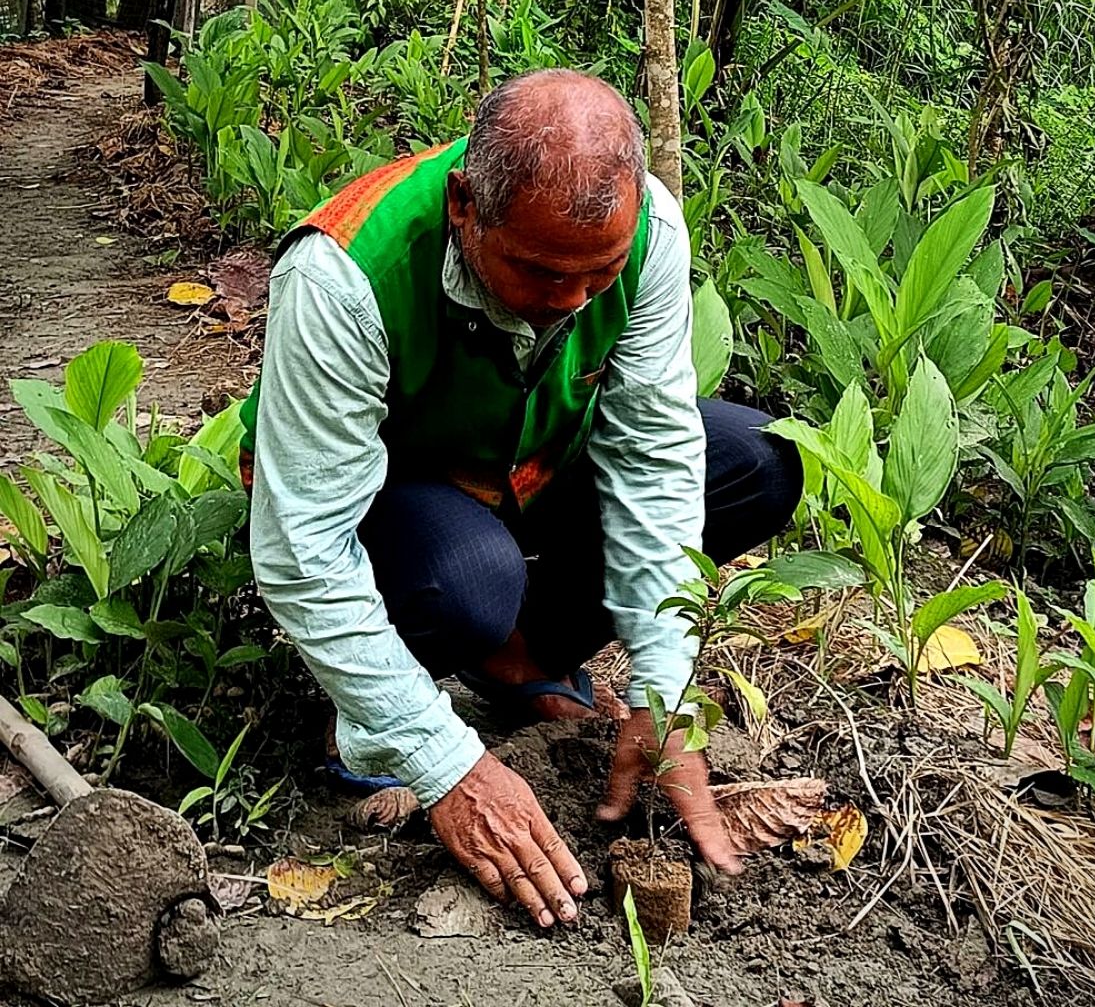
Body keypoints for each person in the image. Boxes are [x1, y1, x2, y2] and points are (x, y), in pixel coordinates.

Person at [242, 69, 803, 930]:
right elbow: (303, 549)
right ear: (466, 205)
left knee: (755, 462)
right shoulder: (340, 275)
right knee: (467, 580)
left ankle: (520, 659)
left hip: (532, 461)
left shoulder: (647, 229)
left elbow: (653, 455)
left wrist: (664, 684)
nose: (572, 301)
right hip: (394, 488)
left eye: (599, 275)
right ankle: (372, 721)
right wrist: (449, 769)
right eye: (540, 272)